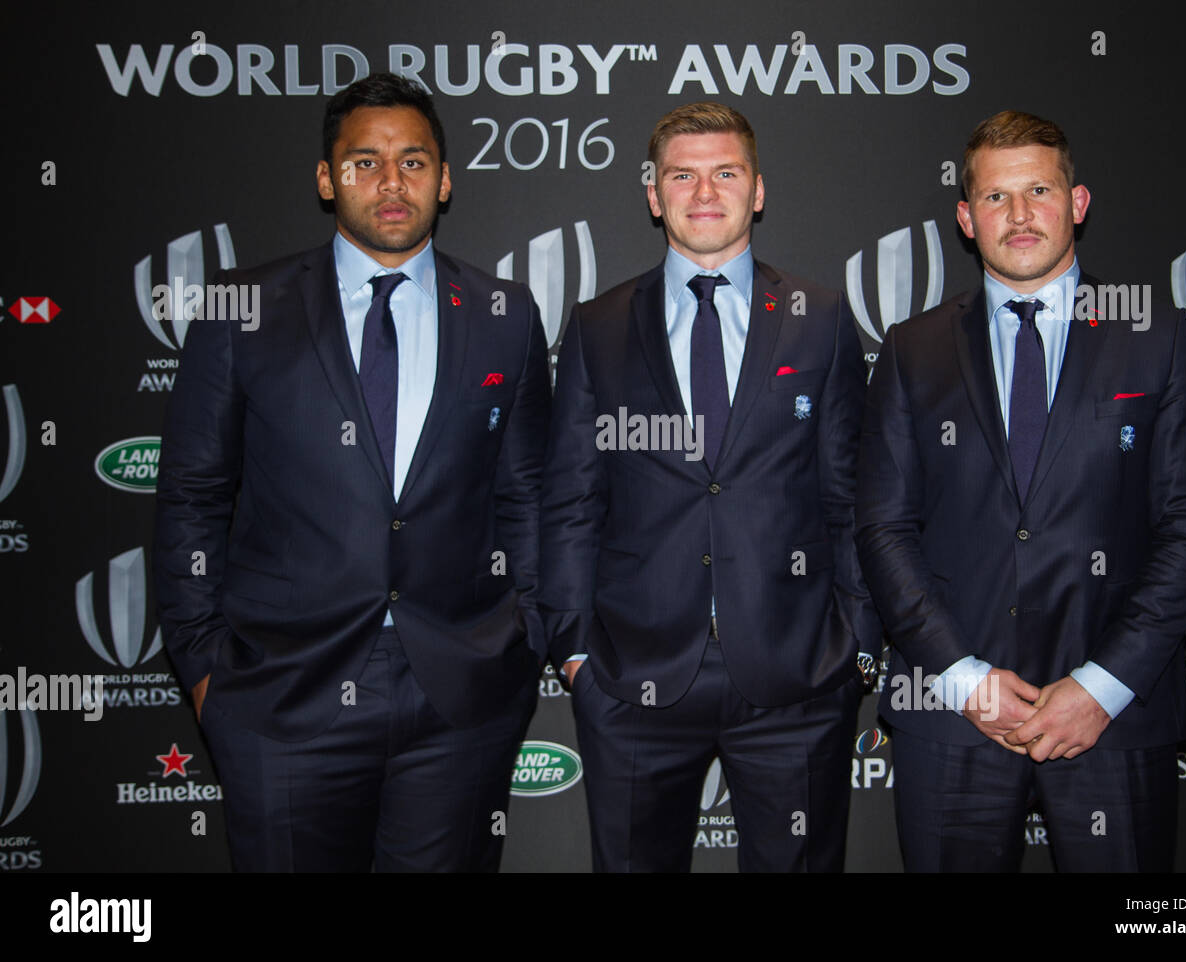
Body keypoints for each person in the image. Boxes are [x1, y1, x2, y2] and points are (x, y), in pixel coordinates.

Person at [154, 72, 550, 871]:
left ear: (444, 178)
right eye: (365, 162)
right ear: (327, 178)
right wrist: (204, 669)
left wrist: (524, 639)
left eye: (413, 161)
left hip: (458, 698)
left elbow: (527, 495)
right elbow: (191, 498)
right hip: (282, 696)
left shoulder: (506, 316)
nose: (391, 182)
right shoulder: (243, 310)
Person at [856, 110, 1186, 871]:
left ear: (1077, 202)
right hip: (954, 719)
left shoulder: (1158, 336)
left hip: (1114, 718)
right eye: (995, 197)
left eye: (1039, 191)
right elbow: (885, 528)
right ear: (965, 216)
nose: (1019, 215)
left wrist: (1101, 686)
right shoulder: (911, 350)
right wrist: (963, 679)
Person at [540, 102, 879, 872]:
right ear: (653, 195)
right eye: (682, 175)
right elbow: (571, 497)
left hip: (796, 676)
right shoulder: (597, 325)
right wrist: (572, 652)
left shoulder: (819, 318)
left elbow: (849, 493)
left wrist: (856, 646)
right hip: (632, 677)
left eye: (725, 173)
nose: (704, 192)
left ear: (757, 190)